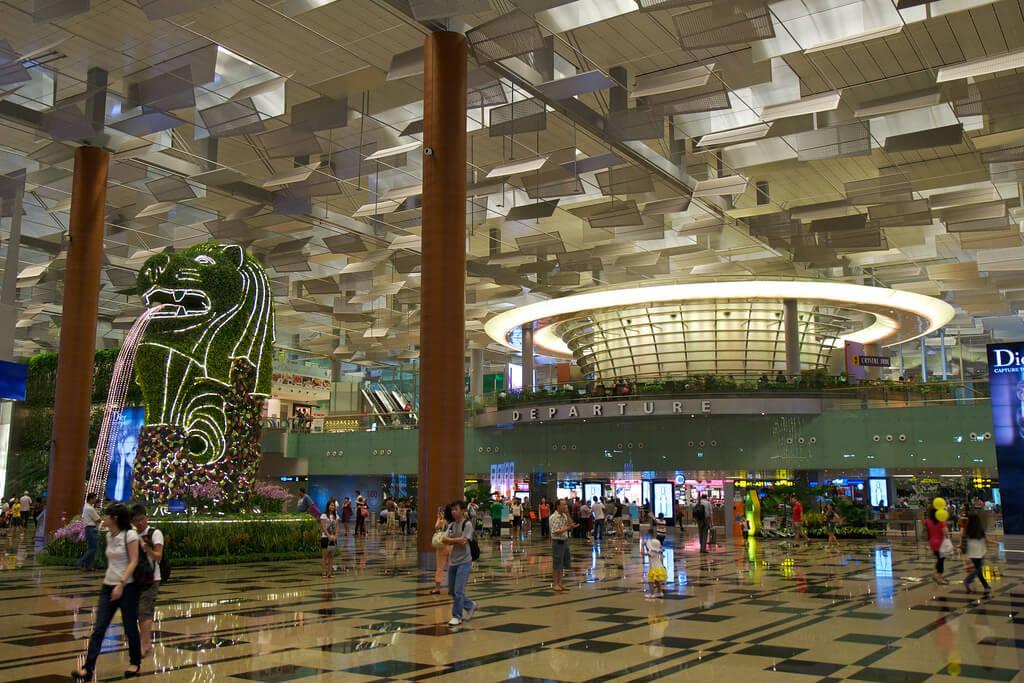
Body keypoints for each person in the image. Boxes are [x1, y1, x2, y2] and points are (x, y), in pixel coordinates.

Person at [72, 503, 142, 681]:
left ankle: (135, 662)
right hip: (108, 586)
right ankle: (88, 668)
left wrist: (121, 584)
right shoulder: (110, 536)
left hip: (127, 587)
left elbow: (134, 561)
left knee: (130, 626)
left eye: (107, 515)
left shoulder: (130, 534)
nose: (103, 518)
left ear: (115, 518)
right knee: (99, 628)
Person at [130, 504, 163, 657]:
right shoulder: (131, 535)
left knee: (145, 612)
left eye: (142, 519)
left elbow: (159, 556)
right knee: (137, 612)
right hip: (135, 579)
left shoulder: (154, 533)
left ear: (147, 517)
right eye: (136, 520)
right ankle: (144, 642)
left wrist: (146, 549)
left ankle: (145, 644)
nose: (139, 523)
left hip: (151, 578)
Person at [442, 501, 476, 626]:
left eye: (456, 509)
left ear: (462, 510)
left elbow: (463, 542)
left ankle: (456, 616)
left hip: (464, 561)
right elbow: (444, 539)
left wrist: (451, 541)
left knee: (459, 590)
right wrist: (456, 540)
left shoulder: (467, 525)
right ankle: (469, 605)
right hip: (453, 561)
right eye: (452, 510)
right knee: (452, 591)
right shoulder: (451, 525)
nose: (453, 512)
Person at [962, 512, 994, 594]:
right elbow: (987, 540)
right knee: (978, 569)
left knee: (978, 569)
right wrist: (996, 543)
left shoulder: (967, 529)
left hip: (971, 552)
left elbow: (964, 540)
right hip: (979, 552)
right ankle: (967, 580)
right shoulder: (980, 529)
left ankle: (986, 586)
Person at [549, 499, 578, 592]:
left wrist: (568, 514)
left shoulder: (564, 515)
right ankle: (555, 583)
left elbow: (570, 523)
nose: (565, 506)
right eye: (563, 505)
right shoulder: (554, 517)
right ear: (558, 506)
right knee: (557, 563)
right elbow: (556, 531)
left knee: (562, 564)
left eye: (566, 505)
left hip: (565, 541)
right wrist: (569, 528)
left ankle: (560, 583)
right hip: (557, 542)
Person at [925, 505, 950, 585]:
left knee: (939, 559)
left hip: (932, 542)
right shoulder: (941, 522)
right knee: (941, 561)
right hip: (940, 543)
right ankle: (940, 578)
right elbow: (946, 533)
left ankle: (935, 574)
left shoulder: (927, 521)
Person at [76, 492, 102, 571]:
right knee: (93, 548)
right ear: (90, 499)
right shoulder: (90, 508)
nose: (95, 500)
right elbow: (98, 519)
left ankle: (89, 566)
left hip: (88, 529)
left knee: (91, 548)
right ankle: (80, 562)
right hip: (91, 529)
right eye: (94, 498)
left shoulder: (86, 507)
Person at [431, 506, 451, 594]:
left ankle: (437, 588)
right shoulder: (452, 521)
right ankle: (451, 588)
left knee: (440, 568)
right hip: (451, 545)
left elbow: (436, 527)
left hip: (442, 546)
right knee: (451, 568)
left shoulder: (443, 520)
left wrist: (439, 518)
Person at [319, 500, 339, 578]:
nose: (332, 507)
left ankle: (330, 572)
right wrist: (328, 536)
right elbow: (323, 527)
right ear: (328, 506)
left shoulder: (336, 516)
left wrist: (335, 536)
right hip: (325, 537)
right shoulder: (324, 515)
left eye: (333, 505)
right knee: (325, 556)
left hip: (333, 538)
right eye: (331, 505)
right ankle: (323, 572)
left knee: (331, 557)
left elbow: (337, 527)